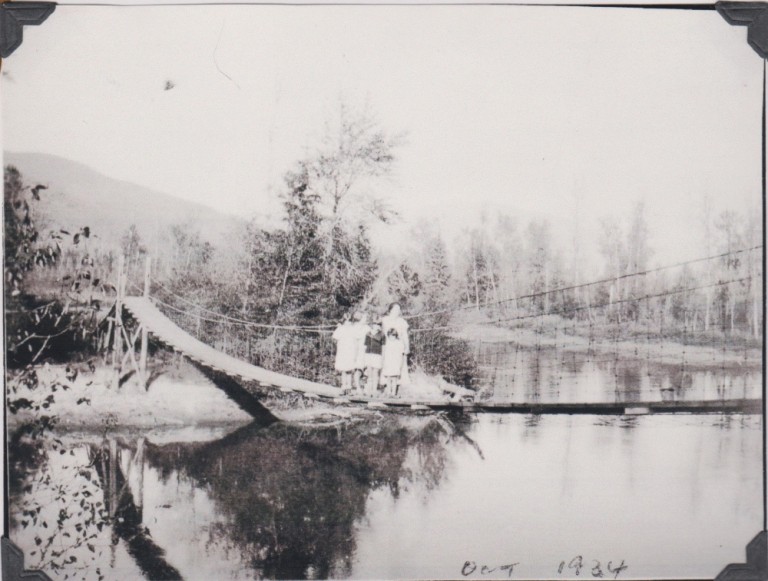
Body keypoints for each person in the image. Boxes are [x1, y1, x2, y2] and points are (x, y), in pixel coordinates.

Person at [381, 302, 410, 387]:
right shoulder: (385, 320)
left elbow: (405, 335)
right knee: (387, 364)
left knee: (398, 364)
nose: (397, 311)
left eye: (398, 309)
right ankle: (386, 385)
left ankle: (398, 385)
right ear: (390, 310)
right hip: (387, 345)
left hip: (398, 346)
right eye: (395, 309)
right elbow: (381, 333)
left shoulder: (402, 321)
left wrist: (407, 347)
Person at [332, 313, 356, 393]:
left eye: (350, 321)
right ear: (344, 321)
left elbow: (356, 340)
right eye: (346, 321)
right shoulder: (340, 329)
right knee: (343, 370)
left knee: (349, 370)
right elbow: (335, 338)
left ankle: (349, 387)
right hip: (342, 352)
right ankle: (343, 387)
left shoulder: (353, 329)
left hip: (350, 352)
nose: (348, 323)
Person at [350, 311, 370, 392]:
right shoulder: (354, 328)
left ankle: (366, 387)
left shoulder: (367, 327)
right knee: (358, 369)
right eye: (364, 318)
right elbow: (354, 341)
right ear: (360, 319)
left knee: (367, 369)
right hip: (358, 351)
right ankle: (357, 386)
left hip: (367, 350)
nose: (366, 319)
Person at [364, 321, 385, 396]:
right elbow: (365, 346)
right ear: (372, 325)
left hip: (377, 355)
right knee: (369, 373)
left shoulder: (382, 335)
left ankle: (374, 390)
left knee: (375, 373)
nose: (377, 326)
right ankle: (368, 390)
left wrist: (383, 357)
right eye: (375, 324)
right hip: (369, 355)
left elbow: (383, 347)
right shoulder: (368, 334)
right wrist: (364, 357)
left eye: (379, 325)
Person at [382, 328, 405, 396]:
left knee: (394, 378)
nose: (392, 337)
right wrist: (383, 362)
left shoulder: (399, 343)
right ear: (388, 336)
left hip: (395, 362)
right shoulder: (387, 343)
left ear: (396, 335)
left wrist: (400, 364)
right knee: (388, 378)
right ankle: (389, 392)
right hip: (388, 362)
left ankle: (393, 393)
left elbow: (402, 354)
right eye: (391, 335)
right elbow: (384, 353)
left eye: (394, 335)